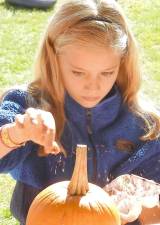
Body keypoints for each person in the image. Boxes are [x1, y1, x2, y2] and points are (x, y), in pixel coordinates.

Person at [0, 0, 160, 224]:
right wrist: (17, 133)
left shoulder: (145, 123)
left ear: (122, 64)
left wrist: (135, 206)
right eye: (78, 72)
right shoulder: (27, 103)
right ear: (53, 60)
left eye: (106, 72)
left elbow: (155, 212)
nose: (93, 86)